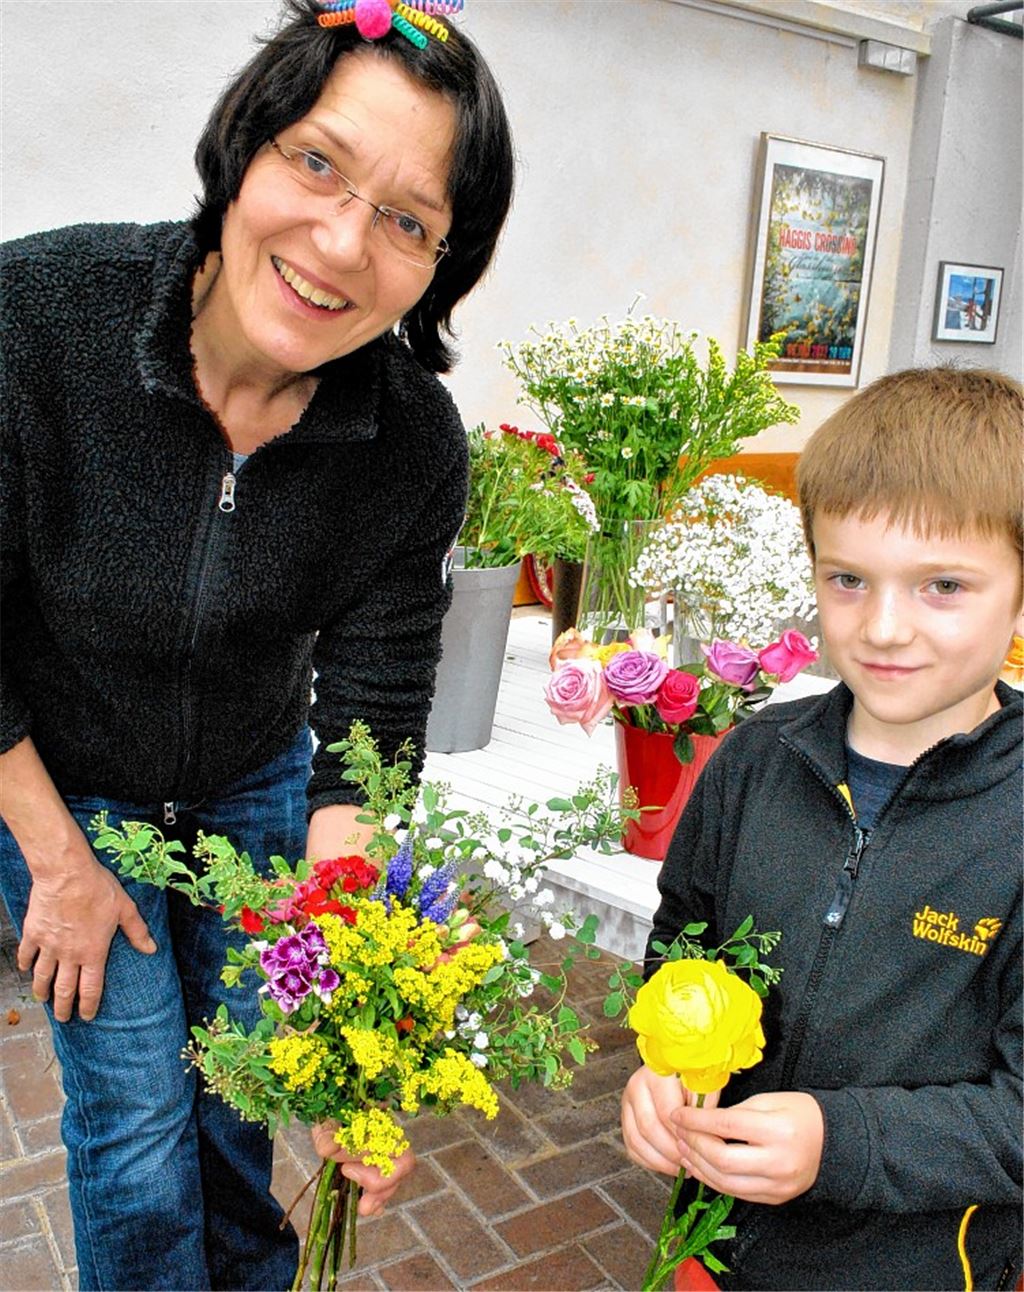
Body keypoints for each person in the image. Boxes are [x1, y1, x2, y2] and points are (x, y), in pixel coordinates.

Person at [0, 2, 514, 1288]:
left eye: (408, 221)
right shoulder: (35, 320)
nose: (341, 242)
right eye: (318, 162)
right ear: (244, 147)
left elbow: (371, 722)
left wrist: (348, 1016)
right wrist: (58, 864)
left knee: (242, 1096)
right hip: (58, 781)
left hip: (251, 782)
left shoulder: (410, 445)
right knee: (135, 1120)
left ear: (442, 264)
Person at [621, 367, 1023, 1291]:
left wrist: (836, 1143)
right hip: (713, 1246)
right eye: (848, 578)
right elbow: (684, 941)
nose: (884, 627)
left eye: (944, 586)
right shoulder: (754, 760)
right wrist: (664, 1066)